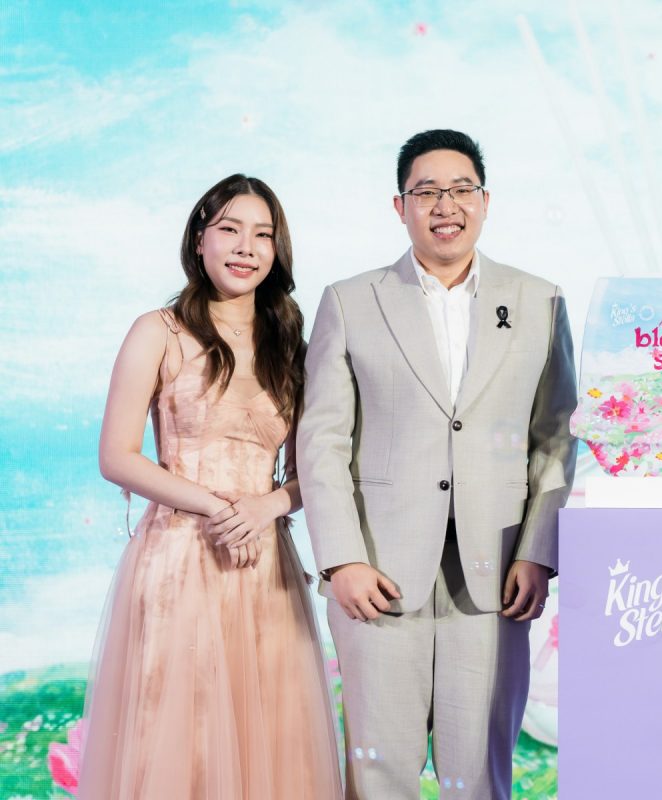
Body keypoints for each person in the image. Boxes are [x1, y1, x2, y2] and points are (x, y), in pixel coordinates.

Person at [297, 129, 577, 800]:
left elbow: (557, 436)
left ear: (485, 200)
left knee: (479, 775)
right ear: (400, 206)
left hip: (497, 576)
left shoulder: (539, 300)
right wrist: (341, 559)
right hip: (378, 575)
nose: (445, 205)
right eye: (426, 192)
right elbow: (322, 438)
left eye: (461, 189)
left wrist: (538, 553)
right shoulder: (350, 300)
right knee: (379, 774)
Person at [79, 175, 342, 799]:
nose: (245, 247)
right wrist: (218, 508)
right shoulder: (158, 330)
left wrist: (268, 506)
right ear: (200, 239)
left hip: (264, 564)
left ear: (277, 251)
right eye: (229, 229)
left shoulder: (293, 348)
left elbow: (318, 468)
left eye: (263, 235)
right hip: (178, 557)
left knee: (269, 742)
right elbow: (117, 456)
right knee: (178, 738)